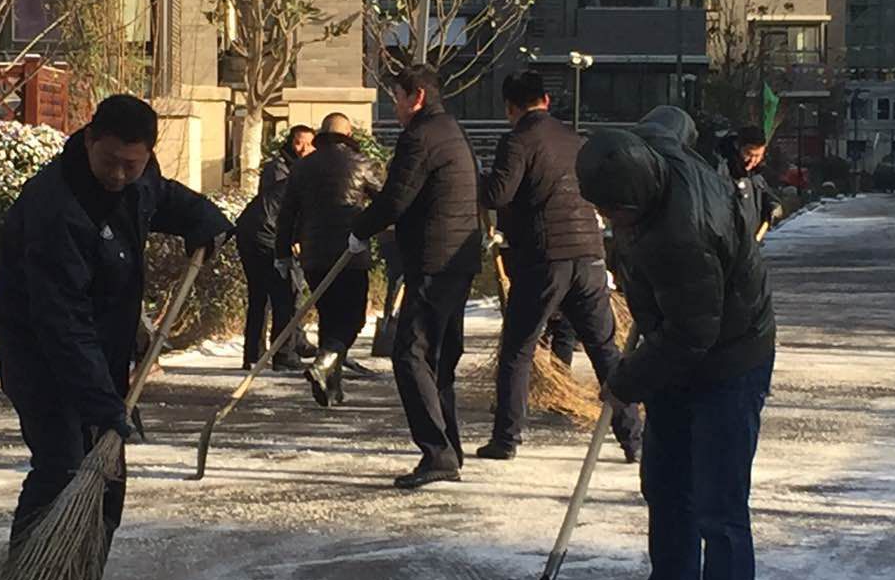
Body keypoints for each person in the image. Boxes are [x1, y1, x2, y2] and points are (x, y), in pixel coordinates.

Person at [0, 94, 232, 580]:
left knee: (106, 486)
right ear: (90, 137)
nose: (121, 176)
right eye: (111, 163)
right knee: (61, 473)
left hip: (102, 356)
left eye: (134, 163)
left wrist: (206, 220)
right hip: (44, 360)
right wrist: (103, 403)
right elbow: (62, 321)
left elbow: (163, 199)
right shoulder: (55, 208)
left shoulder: (137, 181)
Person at [576, 105, 776, 580]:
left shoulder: (683, 233)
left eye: (617, 214)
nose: (609, 222)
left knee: (718, 504)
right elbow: (677, 118)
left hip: (729, 355)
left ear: (642, 202)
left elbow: (695, 335)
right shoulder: (646, 149)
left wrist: (625, 380)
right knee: (665, 482)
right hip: (678, 339)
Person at [476, 72, 642, 462]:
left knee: (518, 348)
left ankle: (506, 438)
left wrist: (475, 179)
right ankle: (633, 438)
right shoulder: (577, 141)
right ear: (547, 100)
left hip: (542, 258)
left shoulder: (517, 141)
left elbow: (499, 195)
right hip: (588, 253)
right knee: (604, 350)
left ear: (510, 108)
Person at [351, 64, 482, 489]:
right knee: (438, 358)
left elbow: (395, 199)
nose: (396, 106)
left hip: (434, 260)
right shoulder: (450, 129)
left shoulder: (420, 137)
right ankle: (450, 448)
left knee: (411, 354)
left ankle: (438, 452)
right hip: (457, 259)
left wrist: (359, 231)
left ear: (418, 96)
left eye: (398, 97)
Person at [275, 113, 381, 407]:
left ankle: (331, 387)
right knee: (352, 318)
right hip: (350, 252)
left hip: (314, 255)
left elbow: (287, 213)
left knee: (329, 316)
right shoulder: (361, 164)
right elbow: (384, 200)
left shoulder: (303, 167)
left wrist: (282, 252)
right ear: (348, 135)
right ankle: (325, 363)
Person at [236, 124, 315, 371]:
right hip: (265, 234)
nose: (306, 149)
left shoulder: (296, 175)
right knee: (284, 294)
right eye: (301, 142)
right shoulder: (293, 176)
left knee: (259, 295)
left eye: (310, 144)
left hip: (249, 229)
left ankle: (254, 354)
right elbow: (291, 217)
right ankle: (283, 355)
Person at [723, 125, 782, 238]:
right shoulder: (723, 173)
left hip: (751, 246)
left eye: (758, 156)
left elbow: (766, 195)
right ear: (737, 147)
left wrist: (772, 206)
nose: (753, 161)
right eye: (749, 154)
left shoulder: (755, 176)